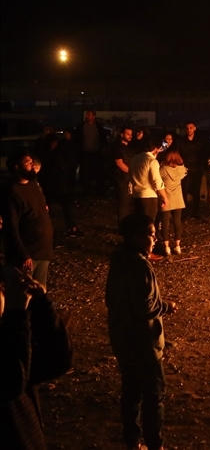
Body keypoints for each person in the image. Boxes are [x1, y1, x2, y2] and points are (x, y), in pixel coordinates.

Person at [105, 213, 177, 450]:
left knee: (131, 391)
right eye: (150, 233)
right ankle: (155, 444)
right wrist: (166, 306)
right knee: (154, 395)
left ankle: (132, 441)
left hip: (122, 339)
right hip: (144, 342)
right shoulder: (139, 266)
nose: (155, 238)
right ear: (136, 237)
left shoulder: (118, 261)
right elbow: (146, 306)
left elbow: (111, 299)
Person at [1, 263, 74, 450]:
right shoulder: (10, 334)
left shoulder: (9, 334)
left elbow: (57, 361)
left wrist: (41, 303)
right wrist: (16, 314)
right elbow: (12, 380)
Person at [2, 152, 55, 289]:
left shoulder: (32, 184)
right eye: (27, 162)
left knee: (40, 289)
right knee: (23, 291)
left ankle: (41, 310)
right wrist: (23, 254)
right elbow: (11, 227)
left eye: (32, 161)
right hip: (27, 254)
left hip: (43, 249)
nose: (32, 164)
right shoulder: (11, 191)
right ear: (17, 167)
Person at [38, 133, 81, 236]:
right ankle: (46, 228)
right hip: (49, 184)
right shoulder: (44, 154)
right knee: (48, 207)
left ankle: (72, 227)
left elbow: (63, 166)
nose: (55, 144)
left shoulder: (58, 153)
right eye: (53, 142)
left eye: (56, 142)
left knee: (66, 205)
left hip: (58, 184)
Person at [128, 136, 168, 224]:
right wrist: (165, 197)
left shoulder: (134, 159)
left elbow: (130, 176)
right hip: (149, 197)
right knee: (148, 223)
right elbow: (157, 181)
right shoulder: (152, 161)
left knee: (139, 223)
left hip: (136, 196)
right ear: (156, 148)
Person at [157, 150, 187, 256]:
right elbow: (185, 171)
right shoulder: (181, 169)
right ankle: (178, 246)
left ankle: (167, 247)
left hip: (166, 198)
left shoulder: (163, 169)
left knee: (165, 223)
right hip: (178, 198)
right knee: (177, 222)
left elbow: (156, 178)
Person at [72, 109, 105, 193]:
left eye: (88, 114)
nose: (86, 116)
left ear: (94, 116)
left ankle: (98, 189)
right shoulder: (81, 126)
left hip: (96, 153)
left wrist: (102, 150)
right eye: (86, 114)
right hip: (84, 153)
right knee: (85, 172)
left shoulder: (98, 127)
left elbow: (103, 139)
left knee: (97, 171)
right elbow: (77, 140)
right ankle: (85, 189)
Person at [176, 122, 204, 220]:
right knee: (184, 191)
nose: (189, 130)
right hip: (185, 169)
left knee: (196, 191)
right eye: (187, 128)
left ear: (194, 128)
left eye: (191, 128)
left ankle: (196, 212)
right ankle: (185, 213)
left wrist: (201, 167)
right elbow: (178, 153)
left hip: (196, 169)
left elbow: (203, 154)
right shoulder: (181, 141)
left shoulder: (200, 140)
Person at [112, 127, 135, 223]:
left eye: (131, 134)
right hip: (121, 178)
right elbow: (119, 163)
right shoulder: (118, 147)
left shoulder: (127, 147)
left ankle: (125, 223)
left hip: (127, 178)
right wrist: (132, 172)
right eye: (127, 134)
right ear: (122, 134)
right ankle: (122, 225)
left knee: (127, 202)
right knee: (124, 202)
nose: (130, 136)